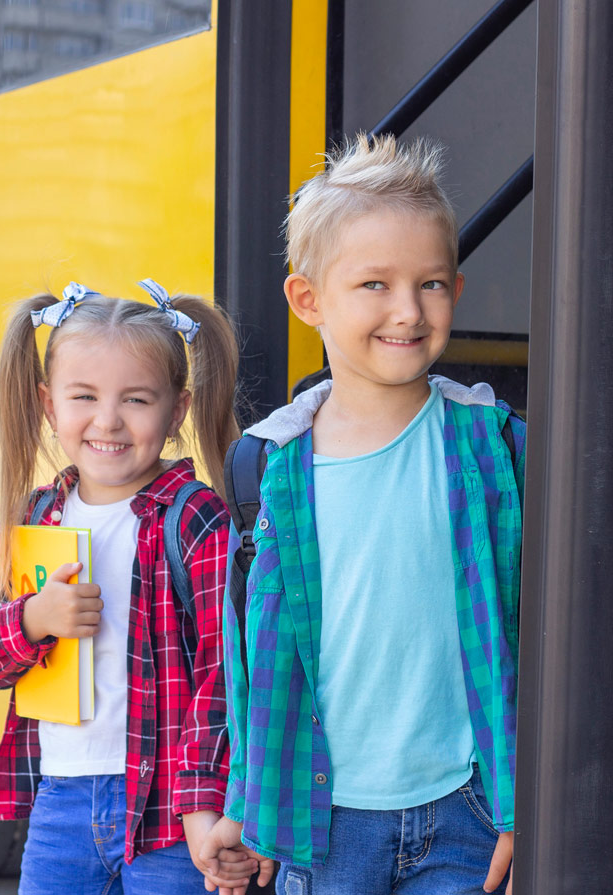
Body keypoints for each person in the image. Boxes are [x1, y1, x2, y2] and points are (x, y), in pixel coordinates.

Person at [201, 134, 524, 895]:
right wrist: (244, 806)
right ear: (308, 299)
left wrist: (524, 804)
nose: (409, 310)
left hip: (467, 812)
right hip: (325, 826)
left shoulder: (491, 447)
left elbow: (525, 633)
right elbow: (252, 661)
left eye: (433, 284)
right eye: (375, 284)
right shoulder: (270, 468)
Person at [0, 280, 262, 894]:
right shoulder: (35, 518)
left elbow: (227, 672)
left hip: (172, 811)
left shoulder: (194, 519)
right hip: (60, 803)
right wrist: (33, 619)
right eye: (84, 396)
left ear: (177, 411)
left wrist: (206, 804)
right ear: (49, 405)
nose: (108, 420)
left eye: (137, 399)